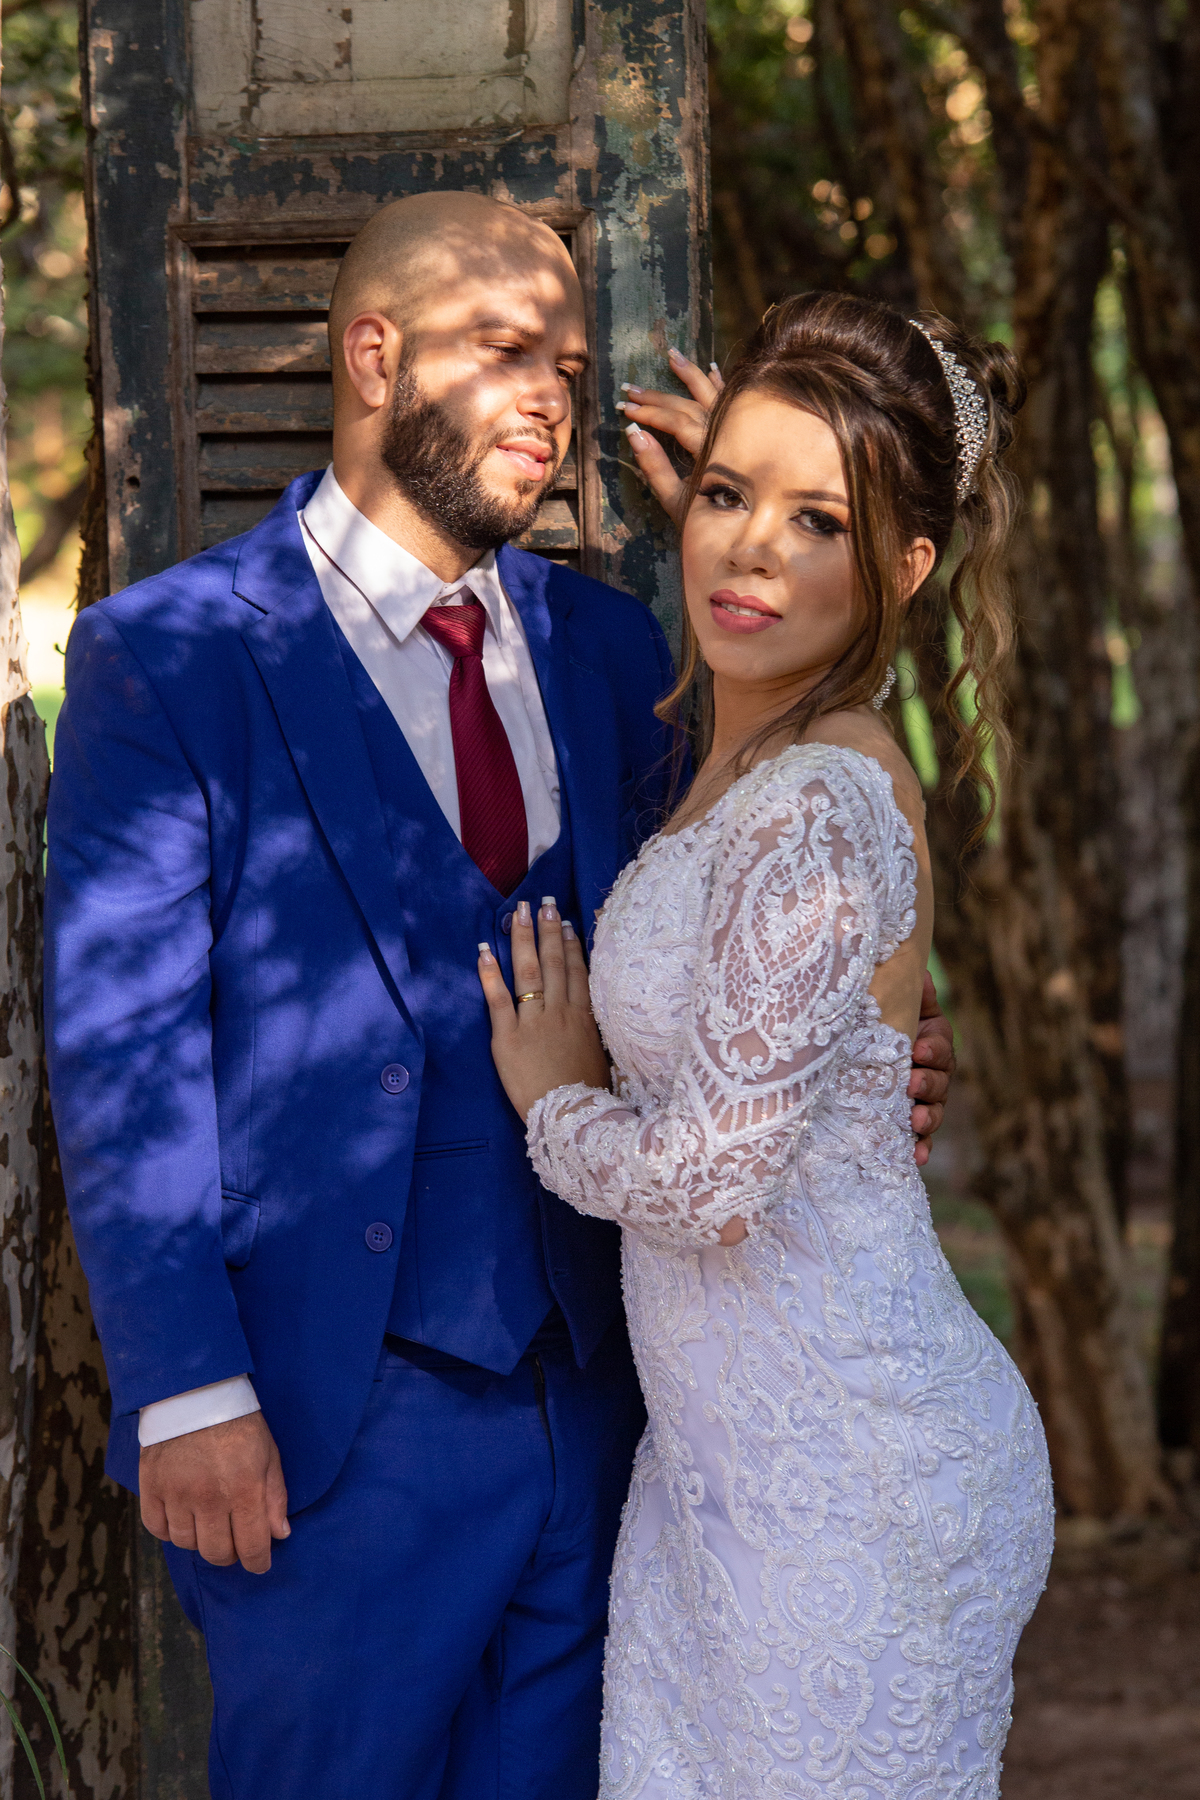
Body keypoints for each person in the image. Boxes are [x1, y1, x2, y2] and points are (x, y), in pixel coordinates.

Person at [44, 192, 954, 1800]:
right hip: (324, 1430)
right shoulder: (169, 658)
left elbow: (752, 914)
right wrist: (186, 1387)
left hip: (613, 1420)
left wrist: (861, 1071)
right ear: (373, 357)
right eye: (505, 349)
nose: (550, 397)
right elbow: (124, 1050)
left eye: (572, 367)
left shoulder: (613, 648)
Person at [478, 292, 1054, 1799]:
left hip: (852, 1478)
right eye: (729, 496)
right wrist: (774, 490)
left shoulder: (817, 801)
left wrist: (557, 1102)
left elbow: (715, 1181)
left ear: (905, 569)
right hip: (723, 1477)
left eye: (821, 525)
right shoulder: (747, 760)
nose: (752, 551)